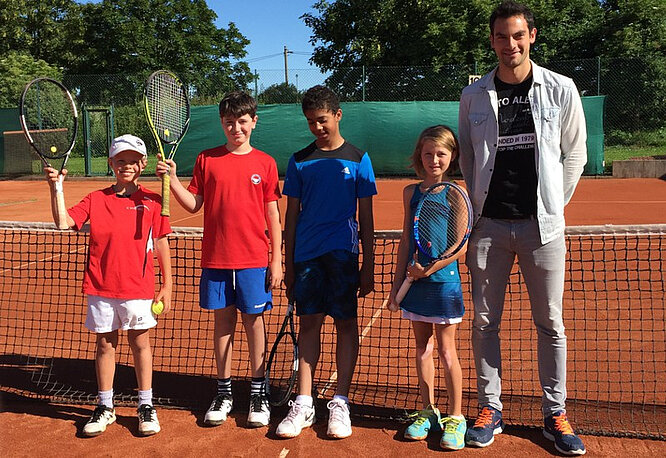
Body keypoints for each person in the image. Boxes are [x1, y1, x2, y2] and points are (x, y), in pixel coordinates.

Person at [458, 1, 588, 455]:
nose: (509, 44)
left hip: (543, 230)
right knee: (485, 322)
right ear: (492, 40)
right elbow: (468, 156)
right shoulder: (473, 95)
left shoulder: (561, 88)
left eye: (517, 35)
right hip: (488, 228)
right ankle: (489, 409)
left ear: (532, 35)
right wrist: (478, 209)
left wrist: (551, 205)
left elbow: (575, 153)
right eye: (501, 36)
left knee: (550, 323)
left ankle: (555, 414)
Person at [156, 91, 282, 429]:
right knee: (222, 325)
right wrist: (171, 180)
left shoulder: (266, 163)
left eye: (242, 121)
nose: (236, 128)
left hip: (254, 259)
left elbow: (273, 214)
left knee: (254, 323)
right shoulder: (206, 159)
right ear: (221, 123)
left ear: (254, 122)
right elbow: (193, 204)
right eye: (229, 122)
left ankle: (258, 392)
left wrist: (276, 260)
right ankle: (223, 392)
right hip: (216, 259)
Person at [44, 134, 172, 437]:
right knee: (105, 345)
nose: (127, 166)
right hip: (101, 287)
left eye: (133, 161)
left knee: (140, 344)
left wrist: (167, 284)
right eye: (121, 160)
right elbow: (63, 222)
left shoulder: (153, 201)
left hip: (138, 287)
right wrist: (55, 187)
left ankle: (145, 405)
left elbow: (161, 242)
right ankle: (104, 406)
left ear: (143, 164)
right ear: (111, 163)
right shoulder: (95, 199)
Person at [276, 85, 377, 440]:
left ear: (337, 115)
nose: (317, 127)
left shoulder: (359, 159)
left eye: (322, 120)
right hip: (306, 256)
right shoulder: (299, 160)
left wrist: (368, 266)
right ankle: (304, 402)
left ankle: (341, 402)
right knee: (309, 325)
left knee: (346, 324)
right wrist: (289, 265)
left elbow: (366, 218)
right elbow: (290, 217)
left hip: (343, 255)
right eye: (310, 122)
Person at [387, 125, 468, 450]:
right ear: (419, 156)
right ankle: (428, 411)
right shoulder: (411, 193)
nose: (434, 160)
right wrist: (396, 285)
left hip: (444, 285)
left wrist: (427, 270)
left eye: (441, 154)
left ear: (452, 156)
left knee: (447, 351)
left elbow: (460, 245)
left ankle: (456, 416)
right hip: (416, 286)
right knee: (422, 348)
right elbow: (407, 240)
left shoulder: (456, 192)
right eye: (428, 154)